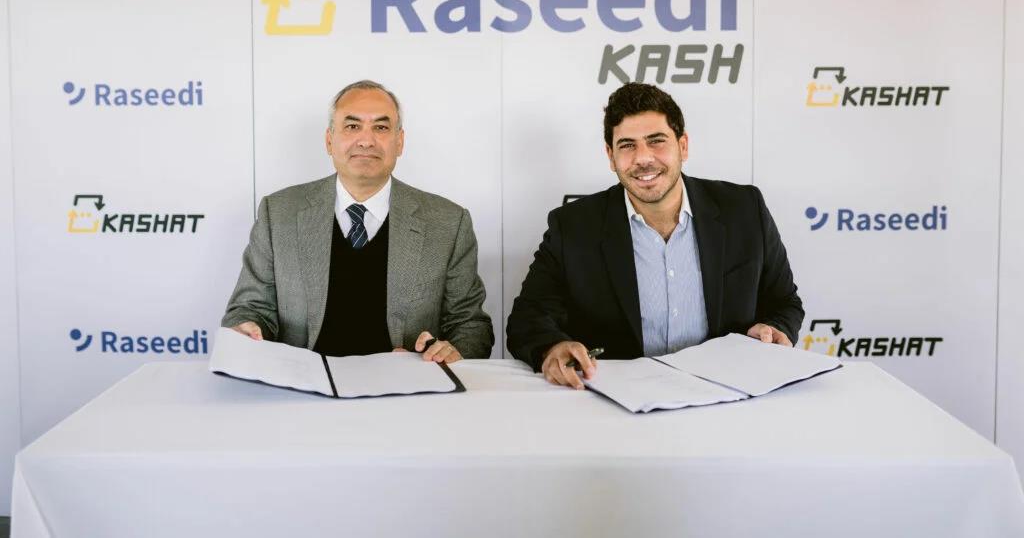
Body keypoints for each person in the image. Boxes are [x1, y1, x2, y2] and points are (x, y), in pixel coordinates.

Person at [506, 83, 804, 387]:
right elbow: (528, 317)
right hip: (617, 399)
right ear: (611, 156)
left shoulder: (744, 210)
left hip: (727, 392)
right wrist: (553, 347)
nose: (643, 158)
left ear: (683, 146)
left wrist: (774, 329)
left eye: (656, 141)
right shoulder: (573, 226)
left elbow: (784, 302)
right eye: (627, 145)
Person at [222, 80, 493, 362]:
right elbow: (249, 309)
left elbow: (471, 325)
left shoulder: (448, 222)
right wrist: (247, 329)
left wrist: (451, 351)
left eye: (381, 128)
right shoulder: (279, 213)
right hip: (304, 384)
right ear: (329, 140)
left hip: (404, 385)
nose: (366, 141)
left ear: (399, 142)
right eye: (352, 126)